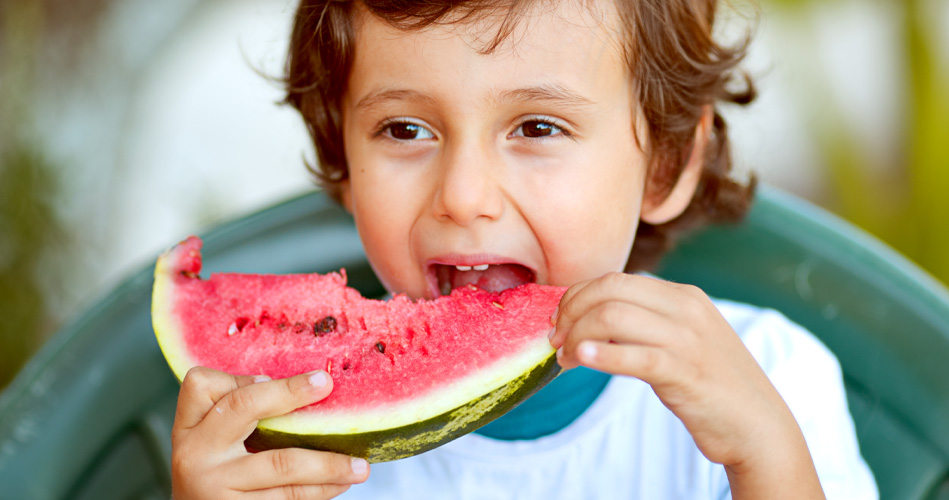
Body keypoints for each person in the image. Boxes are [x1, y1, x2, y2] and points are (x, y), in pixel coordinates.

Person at [169, 0, 879, 498]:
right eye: (404, 130)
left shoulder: (774, 380)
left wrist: (766, 457)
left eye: (537, 127)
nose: (464, 194)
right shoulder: (288, 425)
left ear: (662, 165)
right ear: (342, 157)